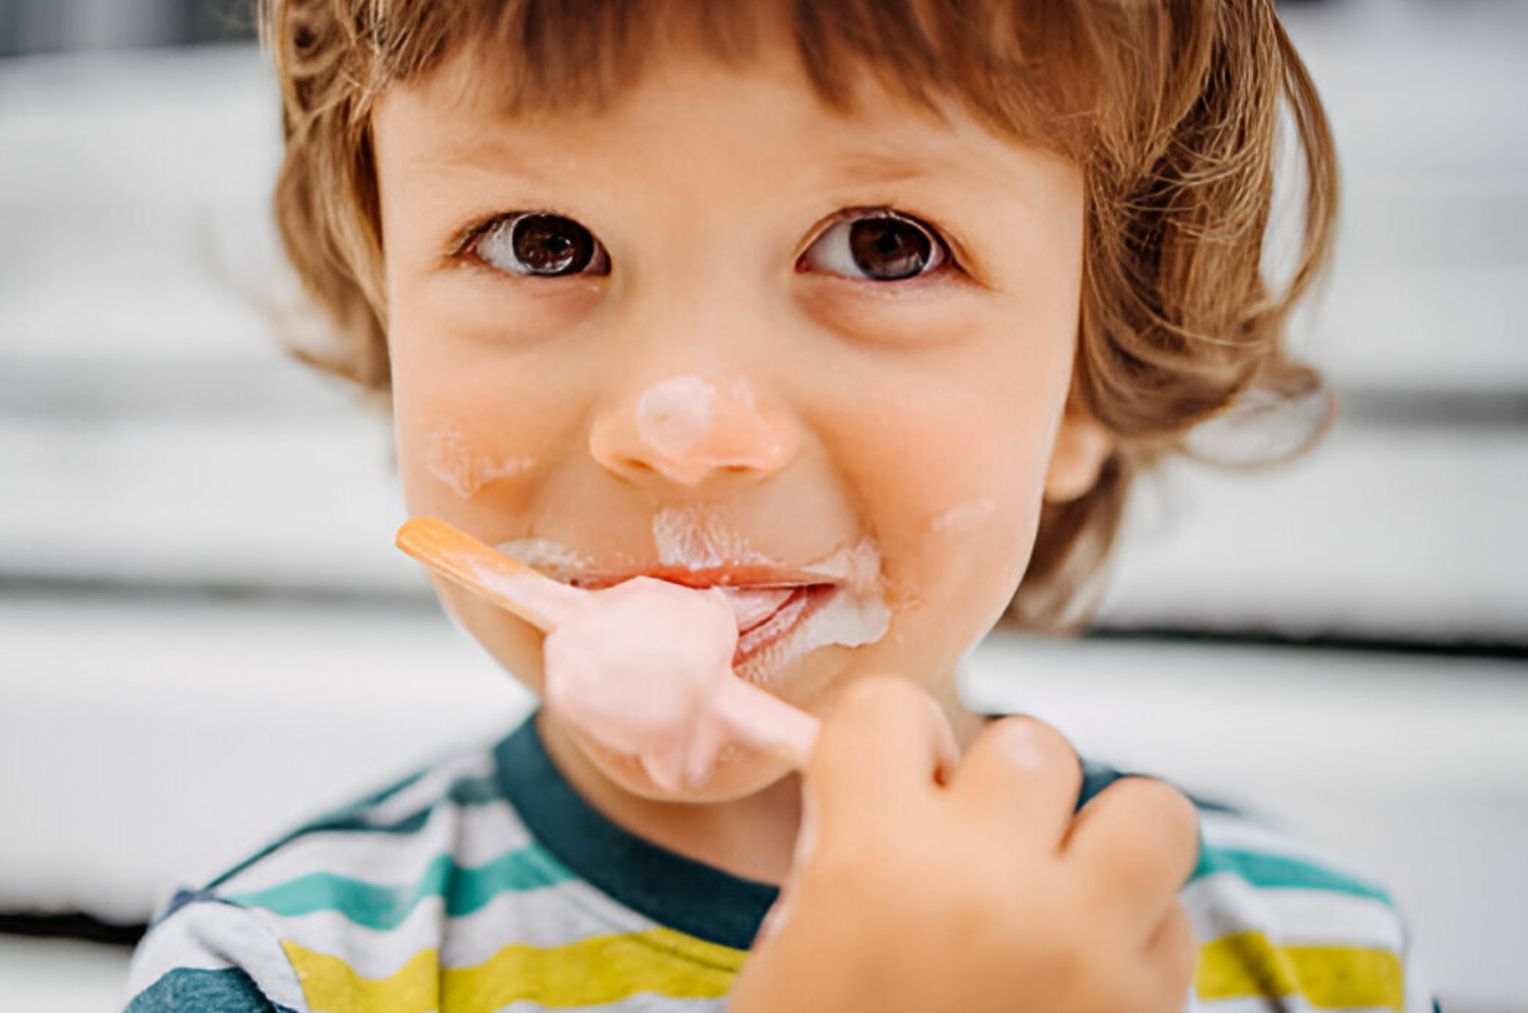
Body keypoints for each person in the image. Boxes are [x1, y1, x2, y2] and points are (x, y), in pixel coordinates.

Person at [124, 1, 1437, 1009]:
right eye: (544, 241)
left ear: (1091, 373)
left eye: (883, 244)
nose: (682, 428)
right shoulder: (277, 972)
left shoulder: (1313, 959)